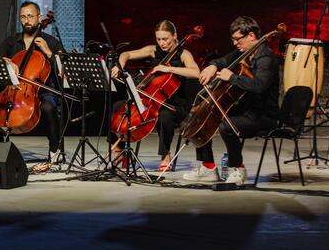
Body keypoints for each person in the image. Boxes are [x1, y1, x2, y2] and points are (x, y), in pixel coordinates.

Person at [182, 16, 279, 187]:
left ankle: (238, 168)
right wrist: (212, 66)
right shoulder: (242, 53)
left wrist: (232, 77)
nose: (235, 43)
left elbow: (259, 86)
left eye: (237, 39)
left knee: (226, 126)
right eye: (233, 39)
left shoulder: (266, 58)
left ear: (251, 36)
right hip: (245, 108)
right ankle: (208, 167)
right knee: (200, 116)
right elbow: (222, 61)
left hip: (262, 115)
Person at [107, 20, 209, 171]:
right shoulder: (153, 50)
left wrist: (169, 69)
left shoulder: (184, 54)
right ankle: (119, 150)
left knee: (164, 116)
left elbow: (196, 72)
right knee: (118, 106)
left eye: (165, 39)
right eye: (159, 39)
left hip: (175, 104)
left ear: (174, 36)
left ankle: (165, 155)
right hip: (152, 99)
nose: (162, 43)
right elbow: (125, 54)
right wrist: (119, 65)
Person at [0, 1, 64, 171]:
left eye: (30, 16)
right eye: (23, 17)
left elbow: (62, 70)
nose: (26, 20)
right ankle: (0, 149)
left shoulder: (51, 42)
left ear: (39, 18)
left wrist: (48, 52)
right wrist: (6, 61)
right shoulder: (12, 41)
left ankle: (54, 151)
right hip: (13, 89)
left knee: (49, 107)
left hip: (41, 91)